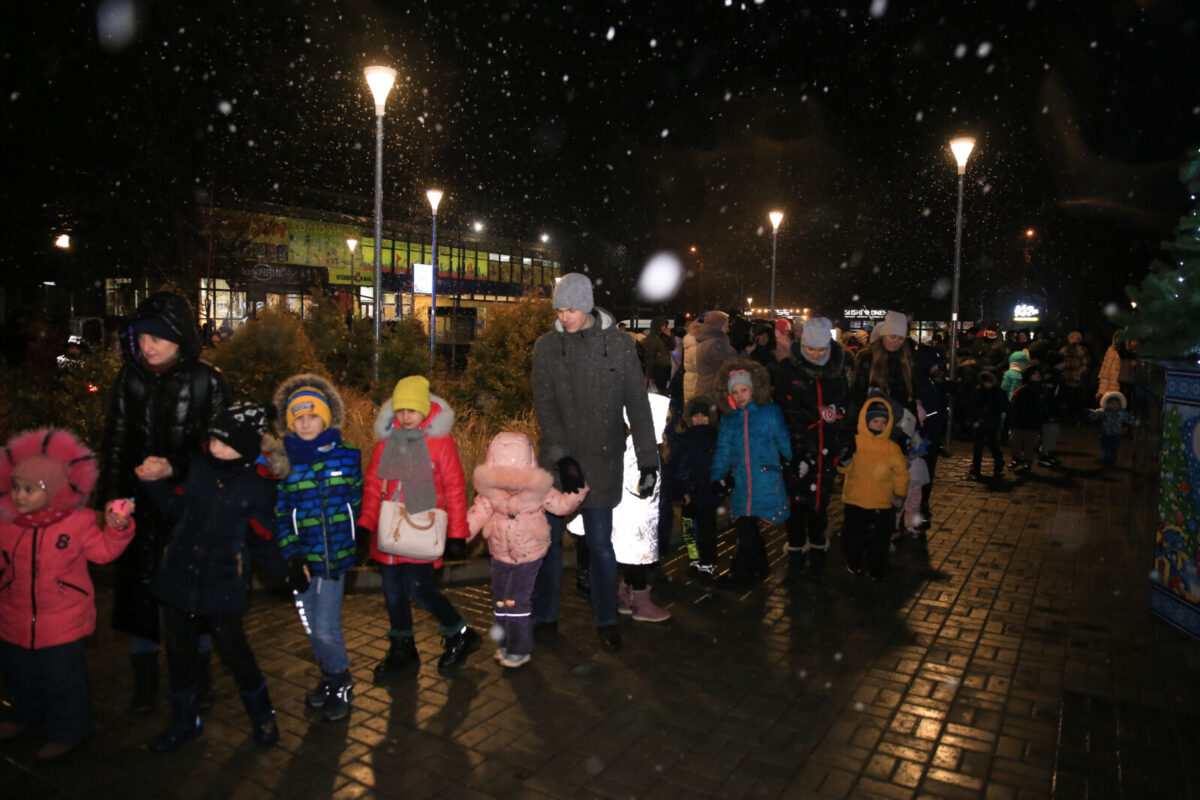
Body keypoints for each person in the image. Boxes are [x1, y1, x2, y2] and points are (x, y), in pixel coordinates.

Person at [99, 291, 229, 714]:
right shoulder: (129, 378)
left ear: (179, 337)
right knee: (142, 597)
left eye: (157, 336)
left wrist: (173, 467)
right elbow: (116, 442)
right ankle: (145, 683)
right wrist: (113, 499)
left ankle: (199, 678)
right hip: (139, 511)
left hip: (190, 510)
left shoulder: (207, 380)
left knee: (195, 599)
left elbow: (223, 450)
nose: (147, 345)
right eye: (142, 336)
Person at [140, 403, 286, 752]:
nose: (215, 447)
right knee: (179, 654)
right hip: (179, 578)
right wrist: (153, 485)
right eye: (214, 439)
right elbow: (176, 508)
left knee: (236, 652)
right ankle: (184, 721)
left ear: (247, 447)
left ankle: (263, 716)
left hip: (222, 585)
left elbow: (263, 537)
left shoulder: (258, 486)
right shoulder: (199, 468)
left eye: (225, 442)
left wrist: (286, 571)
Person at [530, 273, 658, 653]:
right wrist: (562, 455)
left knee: (602, 546)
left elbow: (637, 403)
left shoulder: (618, 345)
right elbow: (546, 406)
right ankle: (545, 615)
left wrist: (649, 460)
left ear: (586, 306)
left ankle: (606, 620)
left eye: (570, 309)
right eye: (559, 309)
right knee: (549, 544)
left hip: (602, 459)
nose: (564, 316)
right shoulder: (547, 347)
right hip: (557, 463)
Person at [0, 428, 136, 760]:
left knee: (64, 681)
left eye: (30, 490)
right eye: (17, 488)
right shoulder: (7, 522)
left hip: (62, 621)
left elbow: (103, 552)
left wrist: (117, 529)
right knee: (20, 675)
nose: (19, 496)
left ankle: (70, 729)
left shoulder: (77, 522)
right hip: (13, 617)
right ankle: (25, 714)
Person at [359, 376, 481, 677]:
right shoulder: (387, 442)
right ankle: (403, 648)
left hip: (423, 532)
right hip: (389, 534)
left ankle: (459, 633)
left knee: (419, 589)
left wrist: (457, 533)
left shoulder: (440, 443)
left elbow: (454, 488)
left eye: (412, 410)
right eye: (400, 410)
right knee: (392, 592)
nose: (405, 416)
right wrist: (364, 526)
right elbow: (374, 487)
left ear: (425, 409)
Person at [270, 375, 363, 721]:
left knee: (326, 626)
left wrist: (358, 535)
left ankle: (341, 680)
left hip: (335, 557)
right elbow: (281, 516)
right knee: (310, 624)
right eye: (299, 418)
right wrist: (292, 556)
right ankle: (328, 676)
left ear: (325, 418)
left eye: (312, 416)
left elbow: (358, 498)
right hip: (304, 559)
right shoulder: (286, 465)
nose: (306, 423)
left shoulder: (348, 457)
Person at [468, 432, 588, 669]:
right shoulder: (490, 493)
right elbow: (477, 513)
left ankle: (520, 649)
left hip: (529, 554)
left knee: (515, 602)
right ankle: (505, 643)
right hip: (501, 553)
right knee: (500, 602)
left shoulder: (539, 489)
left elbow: (561, 506)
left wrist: (577, 491)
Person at [775, 317, 850, 582]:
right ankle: (796, 547)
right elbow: (787, 412)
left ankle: (818, 545)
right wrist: (797, 449)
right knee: (795, 500)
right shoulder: (788, 370)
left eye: (821, 349)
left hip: (826, 447)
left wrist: (843, 440)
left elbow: (844, 408)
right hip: (797, 447)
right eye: (811, 349)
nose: (817, 354)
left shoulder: (838, 371)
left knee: (820, 500)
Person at [710, 359, 792, 587]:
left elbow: (783, 439)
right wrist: (717, 475)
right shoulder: (730, 418)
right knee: (746, 526)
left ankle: (741, 572)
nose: (739, 396)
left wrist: (791, 459)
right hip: (742, 481)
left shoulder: (770, 412)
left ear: (754, 389)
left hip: (765, 478)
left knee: (747, 528)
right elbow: (724, 449)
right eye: (734, 392)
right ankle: (755, 568)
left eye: (743, 390)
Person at [839, 398, 909, 580]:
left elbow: (901, 473)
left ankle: (877, 568)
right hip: (856, 501)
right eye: (875, 421)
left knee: (879, 540)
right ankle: (853, 563)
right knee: (854, 537)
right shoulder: (856, 442)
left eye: (884, 422)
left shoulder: (892, 448)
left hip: (882, 502)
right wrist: (844, 459)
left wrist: (899, 494)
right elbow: (843, 468)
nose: (879, 425)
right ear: (865, 420)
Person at [665, 396, 721, 581]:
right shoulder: (685, 439)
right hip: (690, 492)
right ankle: (694, 559)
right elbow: (679, 466)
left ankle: (707, 562)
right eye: (695, 416)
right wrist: (682, 490)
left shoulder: (715, 437)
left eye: (703, 416)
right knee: (689, 529)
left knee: (707, 529)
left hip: (708, 492)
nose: (699, 420)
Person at [851, 311, 916, 420]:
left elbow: (911, 393)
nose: (896, 342)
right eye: (893, 337)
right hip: (874, 421)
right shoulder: (868, 358)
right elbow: (858, 393)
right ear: (884, 335)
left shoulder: (906, 359)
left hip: (899, 422)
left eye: (901, 339)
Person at [965, 372, 1009, 482]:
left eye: (989, 382)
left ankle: (998, 463)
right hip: (980, 423)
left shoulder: (998, 392)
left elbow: (1005, 406)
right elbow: (970, 405)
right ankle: (977, 469)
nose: (987, 384)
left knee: (992, 445)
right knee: (978, 447)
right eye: (986, 382)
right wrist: (972, 419)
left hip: (992, 423)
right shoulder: (978, 391)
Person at [1008, 364, 1049, 473]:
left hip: (1034, 423)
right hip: (1020, 422)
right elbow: (1015, 406)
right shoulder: (1022, 390)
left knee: (1030, 445)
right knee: (1016, 443)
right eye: (1034, 374)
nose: (1037, 375)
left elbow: (1045, 406)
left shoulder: (1042, 390)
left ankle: (1027, 463)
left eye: (1038, 373)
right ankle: (1016, 460)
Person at [693, 311, 740, 402]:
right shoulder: (716, 344)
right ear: (718, 327)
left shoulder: (706, 341)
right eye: (726, 326)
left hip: (706, 391)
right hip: (714, 395)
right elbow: (733, 364)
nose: (728, 329)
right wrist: (746, 352)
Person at [1089, 391, 1137, 467]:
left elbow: (1128, 419)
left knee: (1112, 448)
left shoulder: (1122, 413)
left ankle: (1110, 460)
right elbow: (1097, 413)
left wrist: (1134, 422)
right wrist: (1090, 413)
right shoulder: (1105, 412)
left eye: (1116, 403)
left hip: (1116, 434)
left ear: (1120, 404)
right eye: (1112, 403)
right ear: (1107, 404)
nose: (1114, 405)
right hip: (1105, 433)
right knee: (1105, 446)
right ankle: (1104, 459)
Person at [1059, 330, 1092, 423]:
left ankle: (1076, 418)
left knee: (1076, 401)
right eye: (1072, 338)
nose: (1074, 340)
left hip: (1077, 381)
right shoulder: (1064, 350)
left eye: (1076, 338)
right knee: (1067, 400)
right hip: (1066, 380)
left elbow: (1086, 365)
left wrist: (1078, 374)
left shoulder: (1082, 351)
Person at [641, 316, 674, 395]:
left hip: (664, 370)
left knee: (662, 392)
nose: (664, 327)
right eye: (662, 325)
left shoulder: (663, 337)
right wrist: (650, 376)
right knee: (657, 394)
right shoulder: (651, 339)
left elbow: (673, 347)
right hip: (657, 371)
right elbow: (649, 358)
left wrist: (670, 337)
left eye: (665, 325)